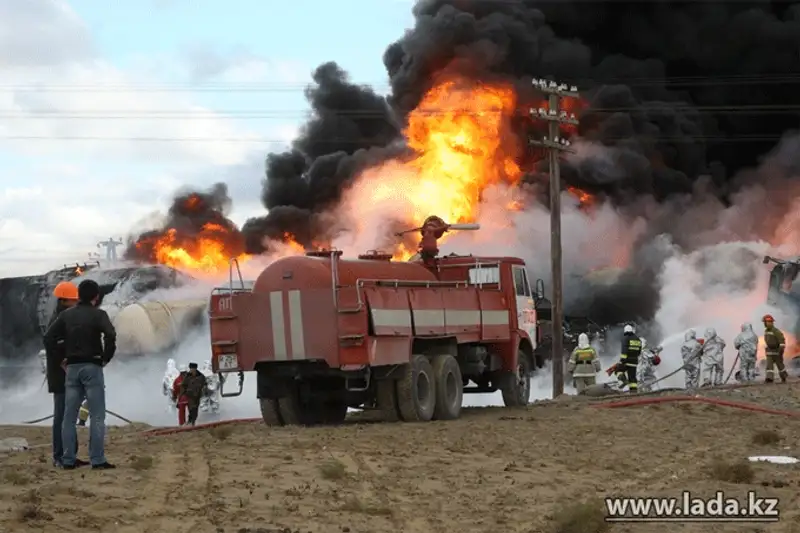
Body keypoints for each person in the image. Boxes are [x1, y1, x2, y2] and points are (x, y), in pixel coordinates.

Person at [44, 279, 117, 470]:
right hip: (92, 366)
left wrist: (61, 359)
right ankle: (97, 459)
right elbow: (110, 335)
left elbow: (48, 337)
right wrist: (105, 358)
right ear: (96, 297)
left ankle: (67, 459)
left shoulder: (66, 316)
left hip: (72, 370)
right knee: (97, 415)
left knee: (68, 416)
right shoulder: (99, 314)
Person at [43, 281, 88, 468]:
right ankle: (60, 456)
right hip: (62, 376)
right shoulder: (60, 320)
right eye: (74, 300)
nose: (76, 302)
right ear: (65, 301)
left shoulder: (61, 317)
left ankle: (68, 454)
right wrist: (62, 362)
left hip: (65, 375)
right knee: (62, 415)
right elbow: (51, 343)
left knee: (67, 415)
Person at [762, 314, 789, 383]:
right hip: (769, 351)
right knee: (769, 366)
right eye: (764, 322)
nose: (764, 324)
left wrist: (780, 351)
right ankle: (769, 378)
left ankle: (784, 377)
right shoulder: (766, 331)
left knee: (780, 365)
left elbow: (782, 341)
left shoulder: (776, 331)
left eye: (765, 322)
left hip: (777, 351)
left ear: (770, 322)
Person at [617, 324, 642, 393]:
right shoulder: (638, 339)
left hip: (627, 361)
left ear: (625, 331)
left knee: (618, 370)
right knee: (632, 378)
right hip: (634, 362)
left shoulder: (626, 338)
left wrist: (622, 361)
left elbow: (624, 350)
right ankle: (634, 392)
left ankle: (624, 381)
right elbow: (639, 351)